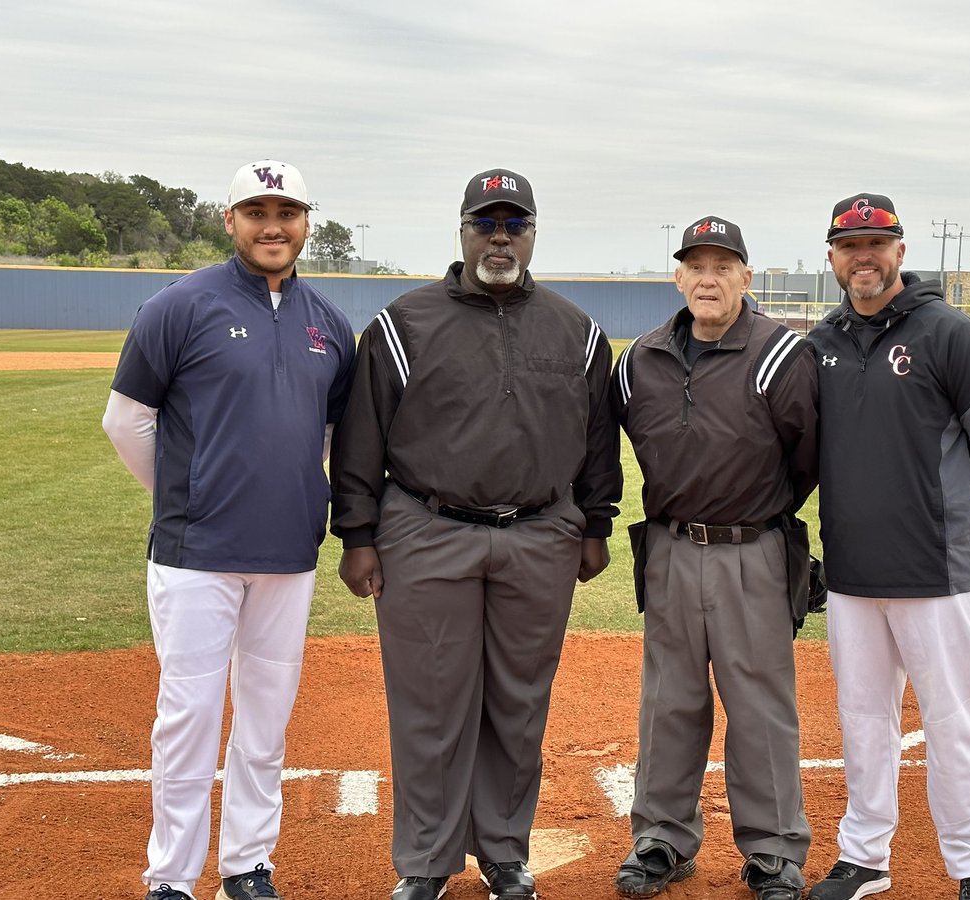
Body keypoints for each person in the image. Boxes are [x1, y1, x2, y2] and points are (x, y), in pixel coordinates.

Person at [328, 168, 622, 900]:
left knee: (519, 704)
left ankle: (503, 852)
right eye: (485, 223)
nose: (499, 237)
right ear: (461, 231)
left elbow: (596, 441)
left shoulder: (575, 329)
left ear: (531, 232)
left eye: (513, 223)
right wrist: (357, 534)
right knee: (429, 702)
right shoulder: (404, 322)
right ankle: (425, 861)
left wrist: (595, 523)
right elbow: (362, 438)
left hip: (540, 533)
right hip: (427, 530)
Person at [102, 159, 356, 900]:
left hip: (287, 554)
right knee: (188, 716)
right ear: (230, 220)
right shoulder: (179, 306)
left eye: (286, 212)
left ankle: (247, 864)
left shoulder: (328, 324)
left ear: (307, 220)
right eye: (256, 211)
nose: (272, 226)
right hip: (196, 555)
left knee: (266, 721)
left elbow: (335, 434)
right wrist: (189, 494)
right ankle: (172, 878)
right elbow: (125, 421)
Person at [806, 194, 970, 900]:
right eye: (849, 244)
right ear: (834, 256)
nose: (862, 256)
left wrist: (946, 507)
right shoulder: (823, 343)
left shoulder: (950, 333)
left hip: (940, 571)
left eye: (877, 243)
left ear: (900, 251)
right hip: (851, 571)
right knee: (863, 719)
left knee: (954, 721)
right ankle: (865, 856)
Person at [610, 216, 819, 900]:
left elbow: (810, 456)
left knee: (759, 705)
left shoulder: (781, 355)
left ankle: (773, 850)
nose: (708, 278)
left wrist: (761, 512)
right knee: (669, 701)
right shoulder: (640, 359)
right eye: (696, 265)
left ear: (745, 279)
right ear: (678, 277)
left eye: (723, 267)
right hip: (669, 547)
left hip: (751, 549)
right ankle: (662, 839)